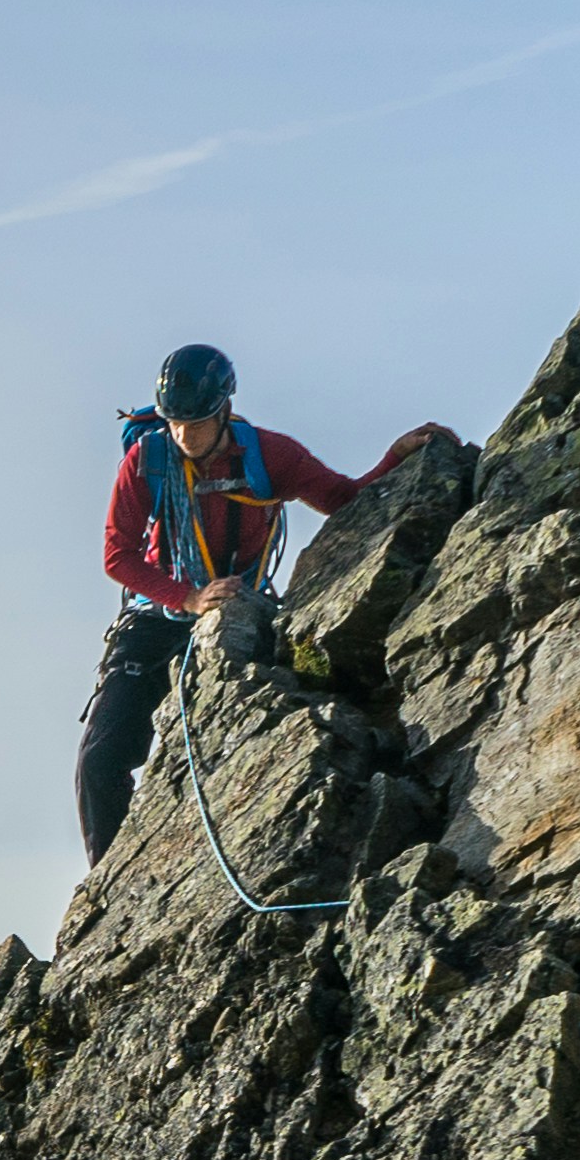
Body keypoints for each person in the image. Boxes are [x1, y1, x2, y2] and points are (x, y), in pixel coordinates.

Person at [75, 344, 450, 858]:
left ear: (225, 408)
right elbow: (118, 554)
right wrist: (187, 598)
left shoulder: (270, 455)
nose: (184, 434)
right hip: (160, 615)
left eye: (197, 421)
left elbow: (343, 501)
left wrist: (397, 456)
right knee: (100, 760)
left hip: (241, 612)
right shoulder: (148, 460)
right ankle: (106, 882)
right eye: (175, 422)